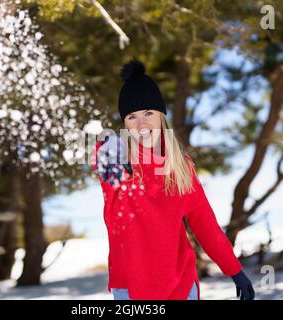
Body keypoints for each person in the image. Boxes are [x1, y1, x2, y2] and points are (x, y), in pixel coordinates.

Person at [91, 58, 255, 300]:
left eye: (148, 113)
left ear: (161, 117)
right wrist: (107, 154)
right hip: (130, 289)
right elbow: (104, 163)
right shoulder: (117, 159)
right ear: (124, 123)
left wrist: (234, 269)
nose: (142, 123)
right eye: (132, 116)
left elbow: (205, 224)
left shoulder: (180, 167)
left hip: (180, 285)